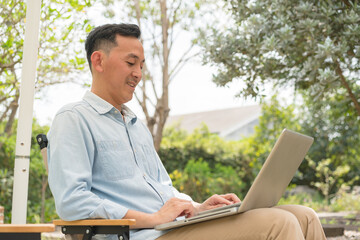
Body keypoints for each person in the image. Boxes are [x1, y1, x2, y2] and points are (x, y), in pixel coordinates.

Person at [47, 23, 327, 240]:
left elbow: (163, 189)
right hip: (144, 234)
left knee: (305, 215)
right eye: (131, 63)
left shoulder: (135, 125)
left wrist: (197, 207)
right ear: (99, 61)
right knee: (280, 222)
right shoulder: (74, 119)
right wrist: (152, 218)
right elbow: (72, 202)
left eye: (141, 66)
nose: (139, 73)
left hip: (172, 227)